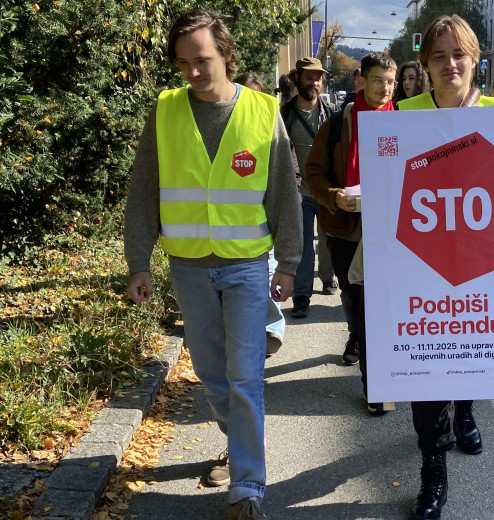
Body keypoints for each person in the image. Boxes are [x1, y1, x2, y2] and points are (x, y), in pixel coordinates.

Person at [124, 10, 301, 519]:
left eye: (202, 60)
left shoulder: (264, 111)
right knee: (211, 374)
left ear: (225, 53)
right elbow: (143, 192)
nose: (193, 72)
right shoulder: (165, 111)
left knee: (244, 377)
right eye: (183, 64)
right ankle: (237, 439)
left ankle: (247, 488)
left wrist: (288, 262)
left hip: (247, 265)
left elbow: (284, 197)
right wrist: (139, 261)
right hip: (188, 267)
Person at [397, 15, 494, 520]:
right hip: (423, 264)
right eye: (438, 56)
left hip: (486, 261)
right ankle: (433, 470)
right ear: (424, 65)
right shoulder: (402, 116)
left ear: (475, 60)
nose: (450, 64)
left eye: (458, 54)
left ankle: (467, 410)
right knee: (426, 369)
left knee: (473, 344)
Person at [305, 52, 396, 400]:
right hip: (346, 227)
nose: (385, 88)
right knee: (356, 299)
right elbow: (313, 173)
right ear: (361, 80)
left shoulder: (404, 120)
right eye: (378, 80)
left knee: (385, 307)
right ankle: (356, 334)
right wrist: (332, 196)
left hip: (392, 229)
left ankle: (376, 386)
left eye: (391, 81)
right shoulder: (338, 123)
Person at [282, 57, 339, 319]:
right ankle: (302, 295)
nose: (314, 82)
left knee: (328, 241)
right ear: (298, 78)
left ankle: (328, 278)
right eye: (309, 77)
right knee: (304, 246)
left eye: (318, 78)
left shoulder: (330, 113)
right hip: (300, 192)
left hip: (326, 189)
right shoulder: (285, 115)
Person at [234, 72, 286, 357]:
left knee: (266, 279)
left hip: (263, 229)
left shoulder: (270, 129)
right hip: (229, 234)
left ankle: (271, 330)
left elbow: (286, 176)